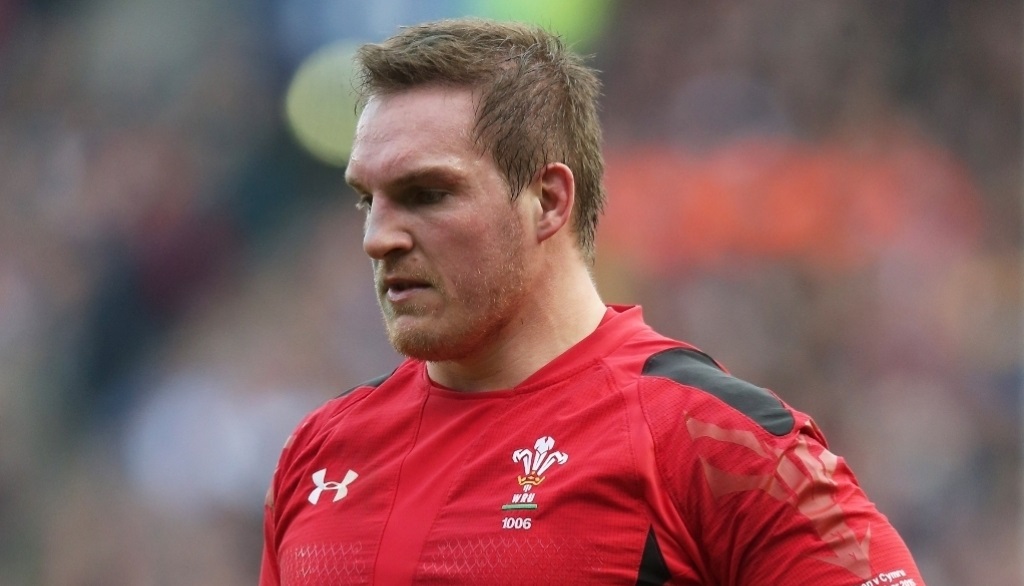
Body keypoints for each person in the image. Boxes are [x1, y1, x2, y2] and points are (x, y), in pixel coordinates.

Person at [260, 18, 926, 585]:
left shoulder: (713, 441)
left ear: (548, 200)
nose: (377, 238)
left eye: (427, 195)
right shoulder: (319, 453)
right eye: (367, 200)